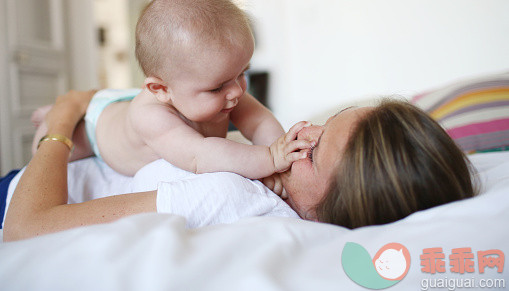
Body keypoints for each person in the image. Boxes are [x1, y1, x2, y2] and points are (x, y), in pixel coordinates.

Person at [3, 90, 476, 241]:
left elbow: (27, 227)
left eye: (314, 148)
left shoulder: (229, 195)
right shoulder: (268, 176)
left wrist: (63, 118)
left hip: (17, 193)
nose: (301, 130)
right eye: (321, 123)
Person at [31, 0, 309, 179]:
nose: (236, 90)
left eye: (242, 73)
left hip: (128, 98)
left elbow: (260, 122)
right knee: (48, 146)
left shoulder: (223, 88)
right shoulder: (151, 116)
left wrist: (281, 154)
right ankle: (47, 115)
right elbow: (201, 156)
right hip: (97, 127)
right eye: (217, 87)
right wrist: (269, 159)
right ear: (161, 90)